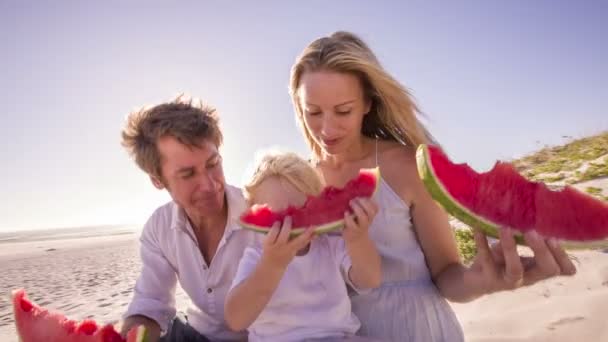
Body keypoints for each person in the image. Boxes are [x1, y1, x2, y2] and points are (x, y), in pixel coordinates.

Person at [287, 31, 577, 341]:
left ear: (368, 103)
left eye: (343, 110)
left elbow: (446, 274)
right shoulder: (297, 182)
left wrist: (484, 279)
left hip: (417, 330)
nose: (327, 128)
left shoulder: (409, 165)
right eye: (313, 112)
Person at [119, 95, 257, 341]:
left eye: (213, 164)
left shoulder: (259, 211)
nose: (209, 185)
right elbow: (150, 304)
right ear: (157, 180)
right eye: (188, 174)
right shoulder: (159, 228)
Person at [224, 151, 382, 341]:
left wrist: (358, 239)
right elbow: (236, 320)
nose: (290, 227)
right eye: (276, 219)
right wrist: (272, 265)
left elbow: (370, 280)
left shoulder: (330, 246)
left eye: (301, 213)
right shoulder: (257, 257)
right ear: (253, 210)